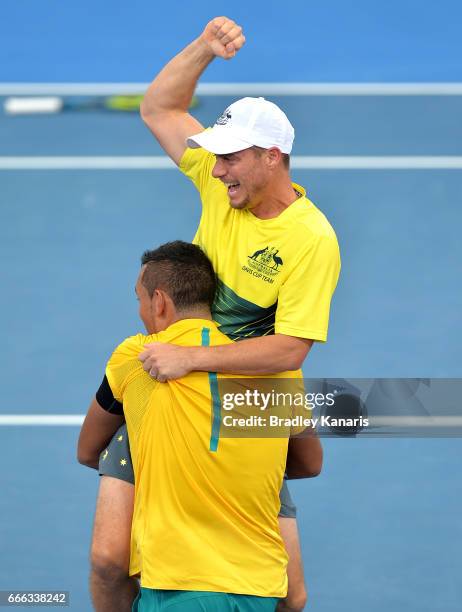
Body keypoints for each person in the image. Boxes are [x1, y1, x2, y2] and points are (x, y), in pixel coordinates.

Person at [80, 15, 340, 612]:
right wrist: (203, 48)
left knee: (292, 598)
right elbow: (160, 110)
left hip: (250, 401)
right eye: (215, 158)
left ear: (272, 157)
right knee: (110, 561)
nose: (216, 169)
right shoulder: (220, 186)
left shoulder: (312, 240)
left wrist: (191, 357)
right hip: (174, 394)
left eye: (230, 159)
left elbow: (291, 349)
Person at [79, 241, 309, 612]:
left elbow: (88, 450)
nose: (139, 311)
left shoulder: (134, 358)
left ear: (159, 302)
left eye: (138, 299)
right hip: (258, 592)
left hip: (177, 588)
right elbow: (309, 463)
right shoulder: (278, 372)